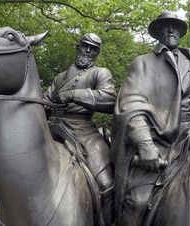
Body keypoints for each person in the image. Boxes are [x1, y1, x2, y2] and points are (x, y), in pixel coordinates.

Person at [112, 12, 190, 225]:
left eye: (175, 26)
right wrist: (145, 145)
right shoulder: (143, 63)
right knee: (137, 202)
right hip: (160, 147)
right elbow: (131, 105)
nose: (171, 30)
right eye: (166, 26)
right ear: (158, 32)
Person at [43, 33, 115, 225]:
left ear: (97, 52)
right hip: (53, 130)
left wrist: (72, 95)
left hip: (83, 131)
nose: (88, 51)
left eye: (94, 48)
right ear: (78, 47)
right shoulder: (59, 78)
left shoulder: (100, 73)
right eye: (85, 46)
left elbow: (109, 99)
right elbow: (44, 102)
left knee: (106, 185)